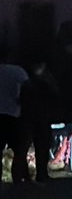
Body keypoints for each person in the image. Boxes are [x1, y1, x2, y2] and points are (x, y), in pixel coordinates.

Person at [14, 62, 58, 183]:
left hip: (36, 118)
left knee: (40, 147)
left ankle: (37, 175)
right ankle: (33, 175)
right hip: (35, 118)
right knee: (35, 147)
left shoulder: (35, 82)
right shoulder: (33, 82)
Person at [0, 61, 30, 190]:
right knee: (20, 150)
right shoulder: (18, 71)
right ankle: (20, 179)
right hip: (14, 113)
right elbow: (28, 88)